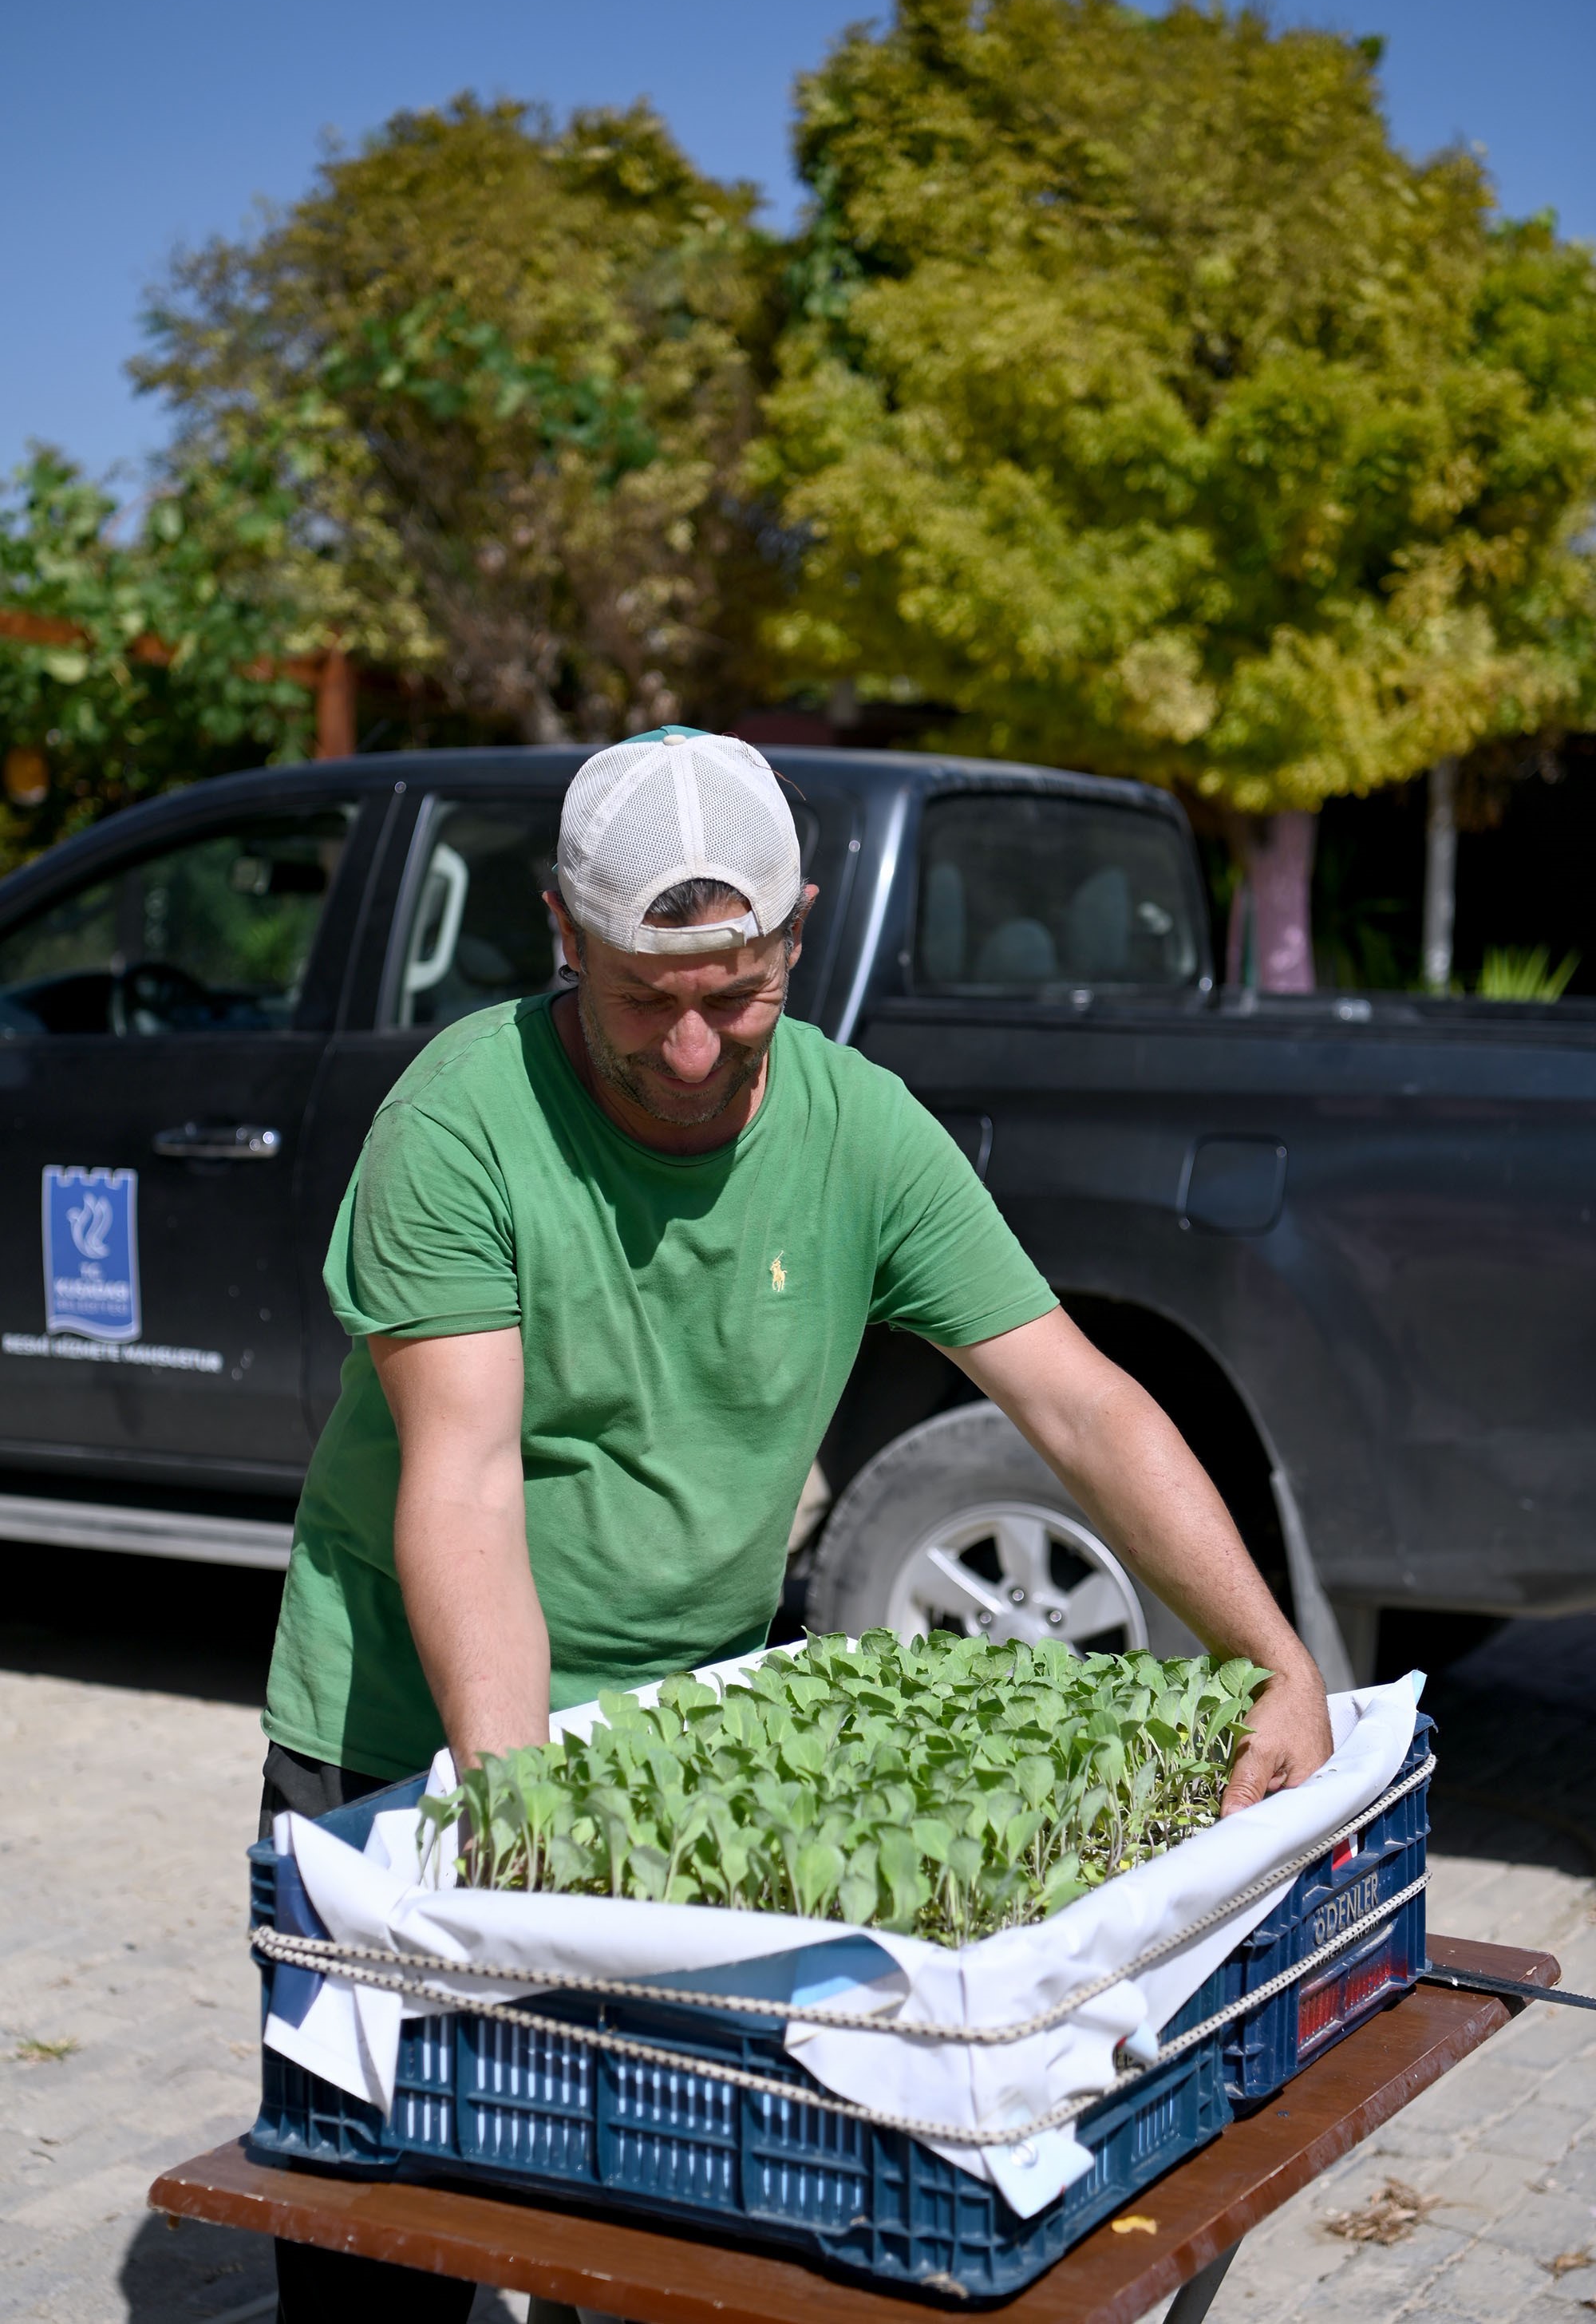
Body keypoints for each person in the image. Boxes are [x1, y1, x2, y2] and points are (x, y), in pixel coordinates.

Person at [259, 726, 1333, 2321]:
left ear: (798, 930)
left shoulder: (859, 1128)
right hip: (411, 1740)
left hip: (689, 1718)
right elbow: (468, 1482)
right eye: (645, 1002)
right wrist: (524, 1826)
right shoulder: (461, 1121)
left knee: (669, 2234)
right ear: (562, 931)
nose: (693, 1051)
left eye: (737, 994)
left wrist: (1272, 1656)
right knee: (393, 2228)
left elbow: (1079, 1405)